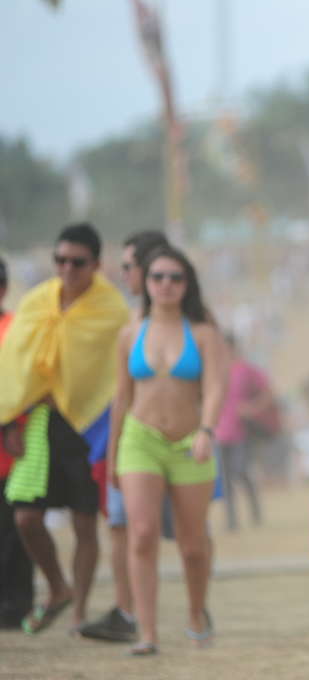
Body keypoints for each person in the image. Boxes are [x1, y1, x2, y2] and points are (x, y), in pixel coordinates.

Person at [0, 223, 130, 634]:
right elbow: (16, 368)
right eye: (60, 261)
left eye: (77, 262)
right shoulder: (37, 302)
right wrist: (10, 421)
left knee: (84, 522)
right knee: (25, 517)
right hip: (40, 422)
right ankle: (59, 587)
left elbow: (113, 374)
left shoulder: (112, 311)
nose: (67, 269)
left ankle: (79, 612)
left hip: (91, 426)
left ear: (96, 264)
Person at [107, 245, 227, 655]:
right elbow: (121, 398)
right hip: (140, 441)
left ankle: (196, 612)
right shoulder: (130, 332)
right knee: (141, 533)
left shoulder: (205, 332)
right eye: (158, 277)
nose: (166, 285)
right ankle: (148, 632)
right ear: (146, 282)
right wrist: (111, 456)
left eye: (175, 277)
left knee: (193, 545)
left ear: (187, 283)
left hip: (190, 441)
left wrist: (207, 430)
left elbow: (214, 388)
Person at [78, 230, 169, 643]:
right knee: (121, 526)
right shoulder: (129, 320)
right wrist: (112, 451)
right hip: (127, 438)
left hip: (167, 440)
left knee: (170, 534)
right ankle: (127, 611)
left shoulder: (175, 323)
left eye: (129, 266)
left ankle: (173, 613)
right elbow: (120, 395)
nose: (124, 273)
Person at [0, 257, 35, 629]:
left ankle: (16, 604)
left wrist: (15, 425)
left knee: (11, 529)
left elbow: (23, 385)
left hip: (9, 446)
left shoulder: (14, 330)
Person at [215, 333, 272, 531]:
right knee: (225, 477)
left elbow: (267, 390)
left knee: (240, 471)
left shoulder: (246, 370)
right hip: (219, 432)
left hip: (241, 432)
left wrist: (253, 408)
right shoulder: (215, 371)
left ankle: (254, 508)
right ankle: (231, 520)